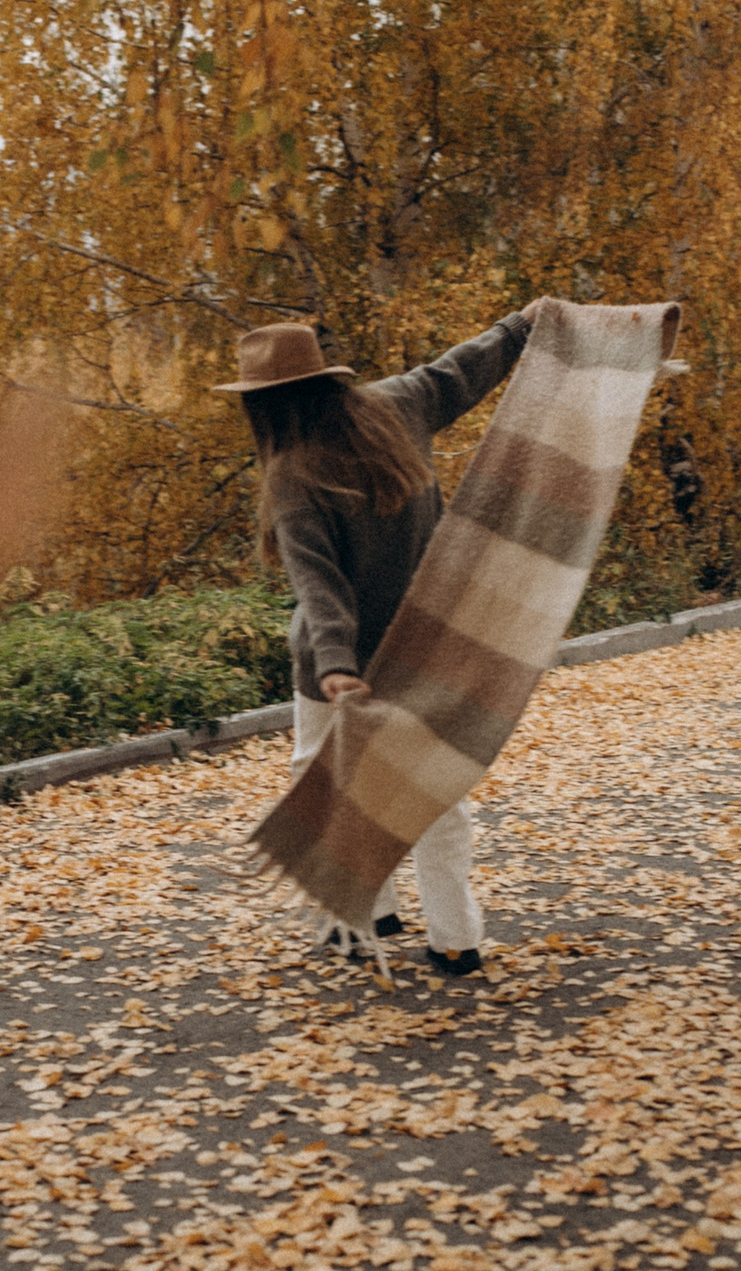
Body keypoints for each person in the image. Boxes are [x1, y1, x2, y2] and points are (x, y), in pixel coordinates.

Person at [216, 303, 541, 976]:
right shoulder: (399, 404)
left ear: (265, 405)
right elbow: (463, 369)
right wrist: (520, 325)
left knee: (329, 787)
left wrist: (336, 662)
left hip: (338, 664)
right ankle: (455, 938)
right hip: (424, 645)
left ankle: (355, 922)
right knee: (433, 788)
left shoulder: (293, 470)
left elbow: (319, 583)